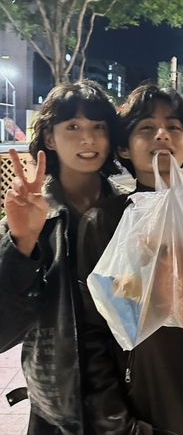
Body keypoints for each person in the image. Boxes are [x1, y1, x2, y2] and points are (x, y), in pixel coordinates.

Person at [78, 84, 183, 435]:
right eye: (146, 128)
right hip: (154, 412)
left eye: (174, 127)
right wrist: (121, 425)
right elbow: (92, 333)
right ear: (124, 147)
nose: (162, 134)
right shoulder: (104, 224)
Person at [0, 79, 124, 435]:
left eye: (98, 127)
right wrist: (22, 242)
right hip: (54, 411)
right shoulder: (26, 220)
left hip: (125, 404)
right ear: (50, 138)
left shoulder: (130, 214)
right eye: (72, 126)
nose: (88, 138)